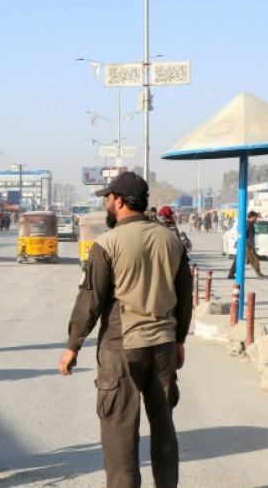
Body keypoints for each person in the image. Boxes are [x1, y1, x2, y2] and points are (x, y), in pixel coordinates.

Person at [58, 171, 192, 488]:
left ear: (118, 201)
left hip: (122, 349)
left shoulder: (107, 243)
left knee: (120, 440)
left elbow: (90, 300)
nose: (106, 203)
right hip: (163, 347)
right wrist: (180, 340)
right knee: (164, 431)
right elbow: (185, 296)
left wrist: (72, 346)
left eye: (108, 198)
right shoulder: (170, 239)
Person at [227, 210, 268, 279]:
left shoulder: (248, 224)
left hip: (245, 245)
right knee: (254, 261)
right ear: (252, 217)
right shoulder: (248, 224)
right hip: (248, 246)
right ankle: (259, 274)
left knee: (238, 260)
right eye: (255, 217)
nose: (256, 219)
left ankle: (231, 274)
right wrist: (237, 243)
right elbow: (243, 235)